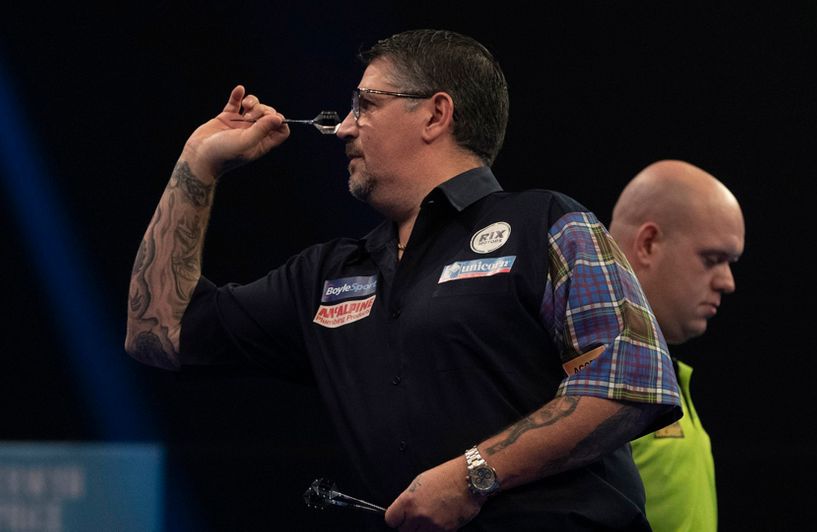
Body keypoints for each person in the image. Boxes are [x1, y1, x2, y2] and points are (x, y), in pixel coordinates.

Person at [125, 29, 681, 531]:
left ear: (436, 115)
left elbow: (633, 380)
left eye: (364, 104)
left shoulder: (549, 225)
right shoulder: (328, 276)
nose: (343, 128)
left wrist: (472, 474)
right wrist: (197, 164)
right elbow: (159, 333)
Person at [608, 160, 746, 532]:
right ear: (648, 244)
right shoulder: (589, 370)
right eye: (712, 259)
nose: (728, 282)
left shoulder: (658, 370)